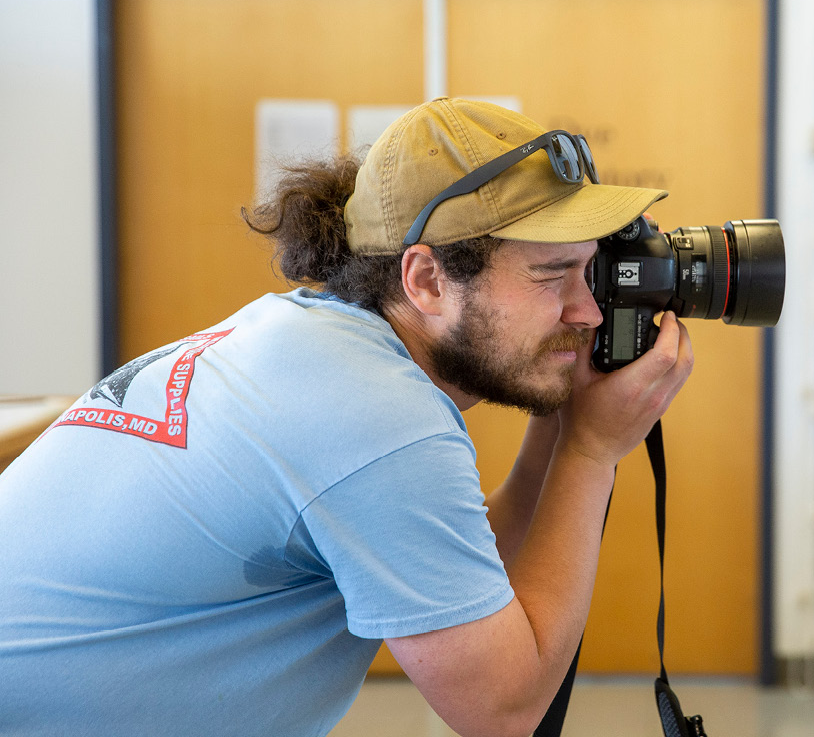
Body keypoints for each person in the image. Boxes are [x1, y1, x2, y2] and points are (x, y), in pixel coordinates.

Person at [0, 98, 694, 737]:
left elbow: (466, 575)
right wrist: (593, 451)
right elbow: (503, 710)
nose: (592, 310)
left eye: (591, 272)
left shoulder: (309, 340)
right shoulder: (379, 418)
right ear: (425, 279)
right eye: (552, 276)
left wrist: (565, 417)